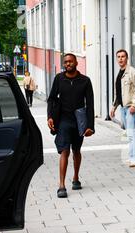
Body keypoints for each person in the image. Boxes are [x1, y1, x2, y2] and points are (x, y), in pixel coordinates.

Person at [47, 53, 95, 198]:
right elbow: (51, 99)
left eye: (70, 61)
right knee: (64, 151)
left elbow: (90, 105)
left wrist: (90, 126)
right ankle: (61, 185)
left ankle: (75, 178)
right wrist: (50, 116)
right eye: (65, 62)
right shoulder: (59, 79)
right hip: (63, 120)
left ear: (76, 63)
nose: (67, 64)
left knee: (76, 150)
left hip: (79, 121)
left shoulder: (85, 81)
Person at [109, 49, 135, 168]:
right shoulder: (120, 73)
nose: (120, 59)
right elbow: (118, 93)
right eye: (118, 57)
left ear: (127, 58)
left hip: (131, 107)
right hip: (123, 107)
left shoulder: (132, 72)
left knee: (130, 132)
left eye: (123, 56)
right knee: (131, 131)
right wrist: (114, 107)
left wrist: (134, 105)